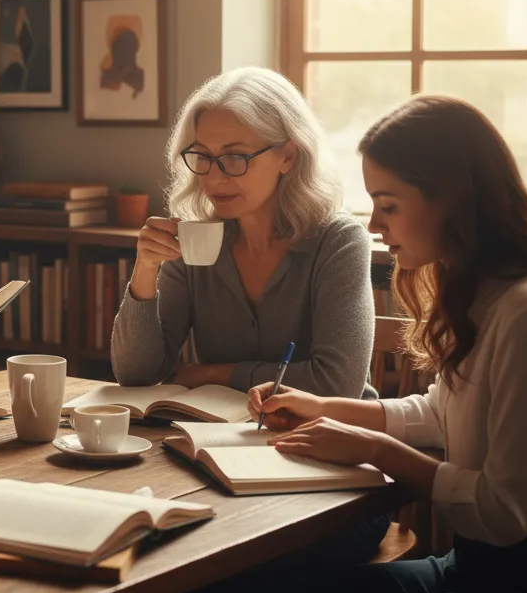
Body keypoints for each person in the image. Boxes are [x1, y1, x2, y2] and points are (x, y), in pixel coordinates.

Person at [243, 94, 527, 593]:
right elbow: (442, 413)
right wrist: (321, 406)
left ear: (453, 201)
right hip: (477, 569)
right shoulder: (482, 293)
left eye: (389, 204)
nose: (374, 223)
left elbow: (504, 511)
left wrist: (375, 448)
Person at [112, 66, 377, 402]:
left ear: (288, 157)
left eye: (235, 157)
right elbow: (136, 374)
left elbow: (337, 386)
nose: (214, 177)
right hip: (220, 437)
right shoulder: (195, 237)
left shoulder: (338, 241)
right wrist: (145, 271)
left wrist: (214, 374)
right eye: (203, 156)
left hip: (327, 440)